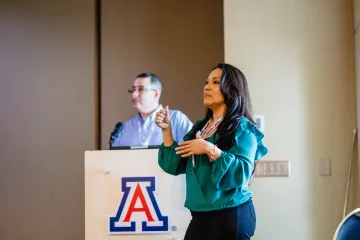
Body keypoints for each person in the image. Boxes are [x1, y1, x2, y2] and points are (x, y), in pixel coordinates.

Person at [155, 63, 268, 240]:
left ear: (232, 89)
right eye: (206, 82)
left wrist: (210, 149)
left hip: (231, 214)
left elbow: (242, 171)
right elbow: (173, 165)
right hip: (200, 216)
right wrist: (166, 131)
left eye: (215, 82)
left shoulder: (243, 129)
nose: (207, 87)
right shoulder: (200, 128)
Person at [111, 72, 193, 147]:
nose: (134, 94)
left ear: (156, 94)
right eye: (133, 90)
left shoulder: (176, 119)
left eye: (141, 89)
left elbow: (192, 150)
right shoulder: (125, 127)